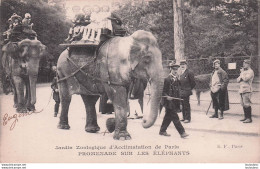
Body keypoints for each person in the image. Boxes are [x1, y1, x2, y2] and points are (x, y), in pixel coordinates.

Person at [159, 62, 189, 138]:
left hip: (175, 101)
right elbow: (162, 91)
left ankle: (162, 131)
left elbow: (178, 90)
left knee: (168, 117)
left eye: (176, 69)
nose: (175, 71)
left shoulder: (177, 79)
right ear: (170, 69)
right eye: (174, 69)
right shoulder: (167, 79)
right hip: (168, 102)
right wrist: (167, 96)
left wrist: (180, 101)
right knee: (175, 117)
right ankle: (182, 132)